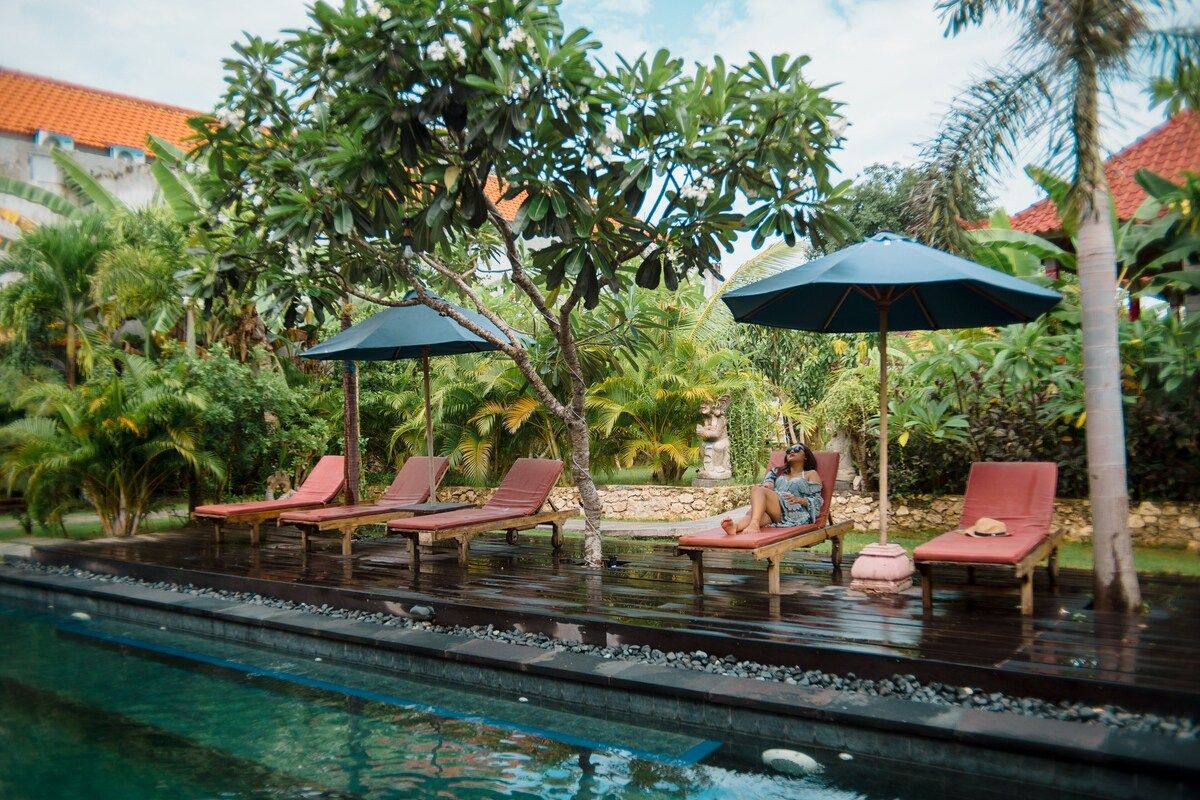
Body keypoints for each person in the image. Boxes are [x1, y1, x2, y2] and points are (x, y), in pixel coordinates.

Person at [720, 443, 822, 535]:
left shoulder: (811, 474)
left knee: (757, 490)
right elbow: (768, 482)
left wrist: (799, 499)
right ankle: (736, 527)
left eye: (797, 449)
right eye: (789, 450)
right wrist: (768, 485)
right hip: (777, 511)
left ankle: (754, 524)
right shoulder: (778, 472)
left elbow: (817, 501)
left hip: (794, 512)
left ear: (806, 456)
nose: (791, 451)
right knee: (757, 512)